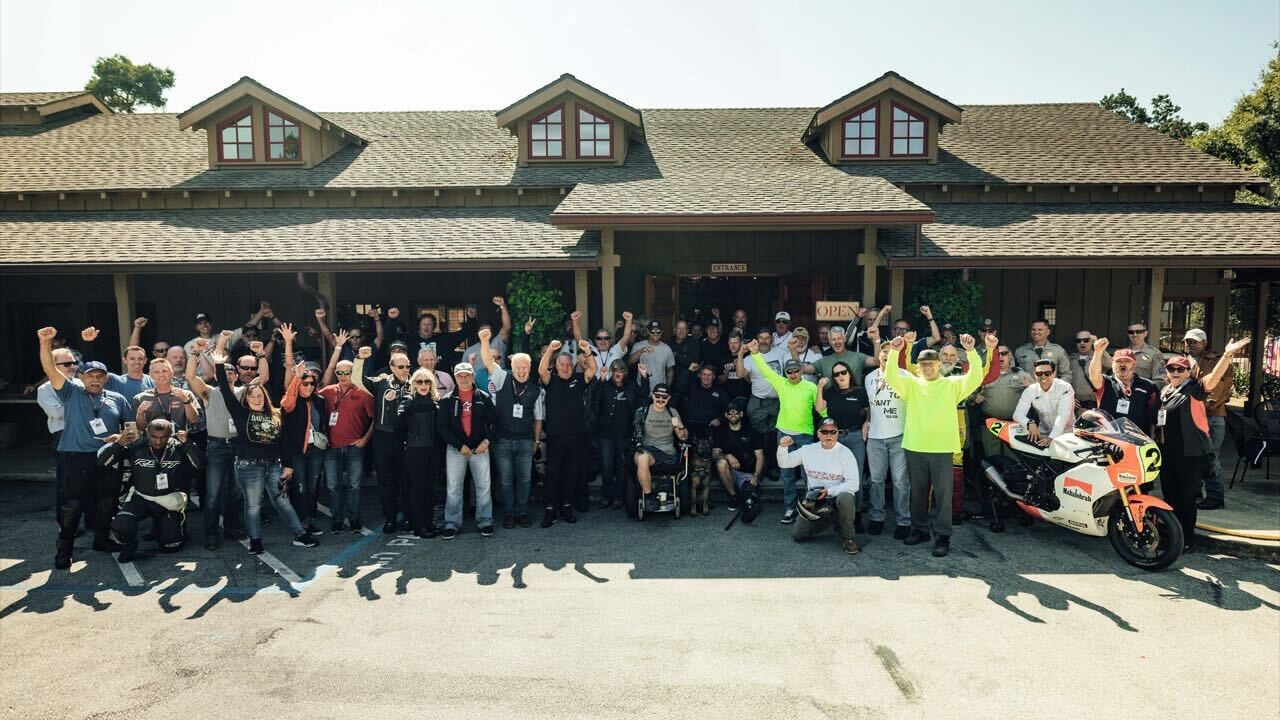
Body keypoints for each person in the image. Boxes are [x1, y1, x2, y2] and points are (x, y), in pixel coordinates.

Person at [885, 332, 991, 558]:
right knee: (918, 493)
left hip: (942, 448)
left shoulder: (951, 384)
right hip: (915, 446)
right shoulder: (911, 385)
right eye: (923, 364)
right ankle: (920, 529)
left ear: (939, 364)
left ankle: (943, 536)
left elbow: (975, 378)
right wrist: (894, 351)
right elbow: (891, 376)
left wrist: (971, 351)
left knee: (944, 495)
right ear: (919, 366)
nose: (928, 368)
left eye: (931, 364)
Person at [38, 327, 133, 568]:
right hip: (76, 457)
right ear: (81, 376)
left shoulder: (117, 399)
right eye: (90, 375)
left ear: (106, 378)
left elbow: (132, 430)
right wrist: (45, 343)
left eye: (99, 375)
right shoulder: (70, 392)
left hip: (108, 457)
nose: (94, 379)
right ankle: (64, 550)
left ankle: (101, 540)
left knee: (107, 502)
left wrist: (122, 438)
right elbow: (50, 368)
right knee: (73, 506)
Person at [213, 352, 319, 555]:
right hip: (248, 466)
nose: (256, 399)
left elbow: (284, 442)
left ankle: (300, 534)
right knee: (253, 505)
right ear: (246, 398)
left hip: (274, 466)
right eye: (252, 396)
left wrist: (288, 465)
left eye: (260, 395)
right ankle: (255, 540)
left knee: (283, 502)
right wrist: (219, 364)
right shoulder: (241, 413)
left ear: (265, 396)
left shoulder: (276, 414)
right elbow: (225, 390)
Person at [1155, 339, 1249, 551]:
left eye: (1181, 369)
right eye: (1172, 369)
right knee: (1170, 496)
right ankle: (1173, 536)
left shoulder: (1195, 388)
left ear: (1189, 372)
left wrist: (1226, 356)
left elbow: (1214, 378)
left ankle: (1186, 540)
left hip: (1190, 453)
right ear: (1167, 371)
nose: (1176, 372)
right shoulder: (1165, 391)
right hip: (1168, 452)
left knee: (1186, 497)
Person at [98, 419, 203, 562]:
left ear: (170, 434)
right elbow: (102, 462)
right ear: (147, 433)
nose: (158, 441)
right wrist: (119, 444)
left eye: (163, 437)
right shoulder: (136, 446)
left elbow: (201, 466)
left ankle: (165, 529)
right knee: (122, 524)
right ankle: (130, 544)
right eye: (154, 437)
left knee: (171, 547)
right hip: (141, 498)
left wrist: (188, 444)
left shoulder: (179, 447)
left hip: (167, 502)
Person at [747, 340, 818, 524]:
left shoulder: (811, 387)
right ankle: (790, 508)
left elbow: (822, 410)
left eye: (796, 370)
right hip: (784, 435)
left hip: (805, 435)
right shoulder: (781, 383)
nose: (793, 374)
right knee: (787, 475)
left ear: (801, 370)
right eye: (789, 371)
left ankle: (808, 507)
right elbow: (765, 370)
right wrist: (755, 354)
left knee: (808, 474)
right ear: (785, 373)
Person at [480, 327, 545, 528]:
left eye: (525, 367)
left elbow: (538, 418)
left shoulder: (535, 390)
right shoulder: (502, 378)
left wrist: (536, 441)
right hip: (502, 440)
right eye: (518, 366)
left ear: (530, 367)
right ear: (512, 366)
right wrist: (484, 341)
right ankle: (509, 513)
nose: (521, 370)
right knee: (506, 480)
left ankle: (522, 512)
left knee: (525, 480)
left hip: (526, 441)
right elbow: (489, 362)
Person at [778, 419, 861, 555]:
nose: (829, 435)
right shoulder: (808, 450)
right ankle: (833, 518)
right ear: (818, 434)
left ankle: (848, 537)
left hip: (837, 497)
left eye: (832, 432)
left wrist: (829, 491)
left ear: (837, 434)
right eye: (825, 431)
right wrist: (782, 447)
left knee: (846, 497)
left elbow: (854, 484)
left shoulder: (845, 453)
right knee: (798, 535)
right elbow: (785, 463)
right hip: (816, 499)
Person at [353, 345, 413, 534]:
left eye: (408, 366)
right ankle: (390, 518)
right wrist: (360, 360)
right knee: (386, 480)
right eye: (401, 367)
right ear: (392, 367)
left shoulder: (416, 383)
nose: (405, 370)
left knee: (407, 479)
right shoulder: (381, 382)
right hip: (383, 437)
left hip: (407, 438)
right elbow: (357, 380)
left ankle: (408, 518)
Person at [316, 338, 374, 534]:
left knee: (354, 486)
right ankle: (337, 519)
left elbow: (375, 418)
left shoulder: (363, 393)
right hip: (331, 447)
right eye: (339, 372)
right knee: (332, 486)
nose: (342, 375)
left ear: (353, 373)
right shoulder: (327, 392)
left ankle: (354, 518)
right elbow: (308, 396)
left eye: (346, 372)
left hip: (354, 447)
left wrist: (364, 440)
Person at [538, 339, 597, 527]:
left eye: (568, 364)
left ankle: (566, 507)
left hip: (576, 437)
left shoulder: (578, 380)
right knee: (553, 474)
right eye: (561, 364)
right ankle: (550, 510)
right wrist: (551, 351)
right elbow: (541, 370)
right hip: (555, 437)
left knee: (571, 473)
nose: (565, 367)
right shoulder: (551, 380)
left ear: (573, 366)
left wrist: (587, 351)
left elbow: (593, 370)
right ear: (556, 366)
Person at [435, 361, 495, 539]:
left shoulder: (483, 397)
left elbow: (495, 423)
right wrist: (458, 445)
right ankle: (452, 523)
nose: (463, 378)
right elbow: (442, 427)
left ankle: (485, 521)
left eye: (467, 375)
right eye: (460, 375)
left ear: (472, 376)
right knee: (453, 488)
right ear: (455, 377)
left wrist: (487, 441)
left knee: (483, 487)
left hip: (480, 449)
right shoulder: (447, 399)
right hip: (456, 450)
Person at [280, 326, 328, 537]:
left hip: (316, 449)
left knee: (313, 485)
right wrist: (289, 343)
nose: (308, 386)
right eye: (305, 383)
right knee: (299, 487)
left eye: (311, 383)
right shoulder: (292, 401)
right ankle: (302, 523)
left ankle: (309, 520)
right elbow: (287, 396)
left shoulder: (319, 400)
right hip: (298, 451)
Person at [863, 344, 911, 538]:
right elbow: (869, 406)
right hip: (875, 437)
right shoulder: (869, 378)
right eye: (883, 356)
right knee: (876, 481)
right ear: (879, 357)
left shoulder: (906, 376)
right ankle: (877, 517)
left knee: (900, 482)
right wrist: (866, 422)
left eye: (890, 356)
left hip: (899, 435)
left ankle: (903, 520)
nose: (886, 360)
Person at [1184, 329, 1233, 510]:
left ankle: (1215, 497)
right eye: (1187, 342)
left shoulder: (1217, 361)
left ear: (1204, 343)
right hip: (1192, 418)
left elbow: (1221, 388)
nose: (1190, 345)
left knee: (1210, 457)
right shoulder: (1185, 362)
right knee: (1193, 456)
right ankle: (1195, 491)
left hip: (1212, 417)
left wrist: (1203, 407)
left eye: (1194, 342)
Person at [396, 368, 443, 538]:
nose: (423, 385)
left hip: (432, 451)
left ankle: (428, 523)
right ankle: (419, 526)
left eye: (427, 381)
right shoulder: (407, 401)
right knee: (417, 489)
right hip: (414, 451)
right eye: (419, 381)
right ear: (413, 384)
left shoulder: (435, 402)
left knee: (430, 489)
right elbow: (399, 424)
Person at [631, 382, 689, 512]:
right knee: (642, 458)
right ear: (653, 395)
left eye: (664, 397)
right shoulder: (644, 411)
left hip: (667, 452)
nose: (660, 399)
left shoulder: (672, 412)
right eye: (658, 396)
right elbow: (636, 433)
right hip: (647, 450)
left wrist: (680, 426)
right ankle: (649, 497)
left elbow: (683, 437)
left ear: (668, 398)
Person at [594, 359, 644, 509]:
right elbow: (595, 398)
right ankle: (606, 496)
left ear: (625, 373)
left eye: (621, 370)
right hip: (605, 434)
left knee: (621, 466)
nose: (618, 373)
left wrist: (645, 377)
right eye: (615, 370)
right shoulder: (605, 386)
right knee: (607, 466)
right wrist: (601, 380)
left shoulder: (631, 387)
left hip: (624, 434)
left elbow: (643, 396)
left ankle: (619, 497)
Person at [974, 345, 1033, 459]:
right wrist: (974, 397)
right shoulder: (984, 376)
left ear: (1009, 356)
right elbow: (968, 394)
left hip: (1013, 425)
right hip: (991, 425)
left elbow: (1040, 393)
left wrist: (1031, 388)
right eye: (997, 354)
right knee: (992, 458)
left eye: (1004, 353)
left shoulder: (1021, 375)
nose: (1000, 356)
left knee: (1013, 460)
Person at [1088, 339, 1158, 434]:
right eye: (1118, 361)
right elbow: (1094, 375)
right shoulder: (1105, 382)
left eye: (1127, 361)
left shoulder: (1148, 386)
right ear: (1112, 364)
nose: (1122, 364)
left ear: (1134, 364)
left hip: (1138, 440)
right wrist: (1098, 352)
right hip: (1108, 439)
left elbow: (1152, 416)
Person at [814, 360, 869, 482]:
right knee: (835, 476)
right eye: (836, 374)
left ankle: (855, 502)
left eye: (843, 372)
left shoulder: (860, 392)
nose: (840, 376)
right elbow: (819, 408)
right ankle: (838, 501)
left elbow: (869, 411)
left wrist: (867, 423)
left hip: (855, 438)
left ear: (849, 374)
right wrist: (820, 387)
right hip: (835, 438)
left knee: (855, 476)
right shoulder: (830, 393)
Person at [712, 398, 766, 513]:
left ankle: (747, 496)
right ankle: (733, 496)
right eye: (730, 413)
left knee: (750, 497)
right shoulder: (720, 432)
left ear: (741, 414)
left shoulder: (752, 432)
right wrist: (727, 456)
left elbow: (760, 457)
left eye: (736, 412)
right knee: (721, 463)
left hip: (748, 473)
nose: (733, 415)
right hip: (730, 472)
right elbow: (714, 455)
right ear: (726, 415)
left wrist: (756, 476)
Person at [737, 329, 787, 442]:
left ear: (772, 340)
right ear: (757, 340)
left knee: (776, 435)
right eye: (761, 338)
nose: (764, 341)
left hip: (776, 401)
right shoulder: (750, 358)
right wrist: (740, 353)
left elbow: (794, 359)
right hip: (757, 402)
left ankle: (772, 459)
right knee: (758, 434)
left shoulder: (781, 352)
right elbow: (740, 374)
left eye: (767, 338)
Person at [1013, 358, 1076, 448]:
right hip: (1043, 435)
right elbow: (1017, 414)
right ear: (1035, 374)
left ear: (1054, 373)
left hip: (1067, 435)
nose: (1043, 376)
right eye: (1039, 373)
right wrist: (1029, 423)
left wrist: (1052, 437)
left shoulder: (1065, 387)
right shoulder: (1030, 390)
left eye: (1047, 373)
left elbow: (1063, 415)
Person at [133, 358, 200, 431]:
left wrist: (186, 401)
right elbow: (140, 428)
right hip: (152, 441)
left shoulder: (186, 394)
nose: (161, 374)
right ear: (150, 375)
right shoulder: (141, 398)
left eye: (165, 371)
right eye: (156, 372)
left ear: (172, 373)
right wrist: (140, 413)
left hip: (179, 440)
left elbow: (194, 420)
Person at [813, 324, 879, 385]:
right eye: (833, 339)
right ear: (830, 342)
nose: (837, 342)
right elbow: (804, 369)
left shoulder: (858, 357)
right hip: (831, 397)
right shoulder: (823, 361)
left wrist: (876, 340)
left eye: (839, 338)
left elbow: (877, 362)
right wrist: (805, 349)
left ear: (844, 339)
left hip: (854, 396)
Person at [677, 364, 729, 438]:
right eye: (704, 374)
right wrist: (689, 371)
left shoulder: (720, 392)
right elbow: (679, 387)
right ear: (699, 375)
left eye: (709, 375)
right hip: (691, 425)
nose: (706, 377)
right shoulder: (692, 388)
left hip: (710, 427)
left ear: (714, 377)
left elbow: (729, 409)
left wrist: (720, 420)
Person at [629, 320, 675, 392]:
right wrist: (641, 351)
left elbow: (670, 371)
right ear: (648, 331)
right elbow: (630, 362)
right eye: (653, 331)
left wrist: (667, 388)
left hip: (660, 390)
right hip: (642, 388)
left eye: (658, 331)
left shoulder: (667, 349)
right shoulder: (638, 345)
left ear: (662, 332)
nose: (655, 334)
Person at [1069, 332, 1110, 409]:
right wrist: (1068, 398)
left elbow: (1110, 365)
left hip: (1095, 406)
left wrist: (1100, 348)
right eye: (1079, 341)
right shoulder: (1071, 359)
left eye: (1086, 340)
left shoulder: (1099, 357)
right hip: (1075, 407)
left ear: (1092, 341)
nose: (1082, 343)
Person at [1124, 322, 1166, 386]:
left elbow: (1160, 380)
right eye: (1131, 332)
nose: (1135, 335)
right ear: (1128, 334)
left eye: (1139, 332)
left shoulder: (1155, 354)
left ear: (1145, 333)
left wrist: (1148, 391)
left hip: (1144, 392)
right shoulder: (1122, 353)